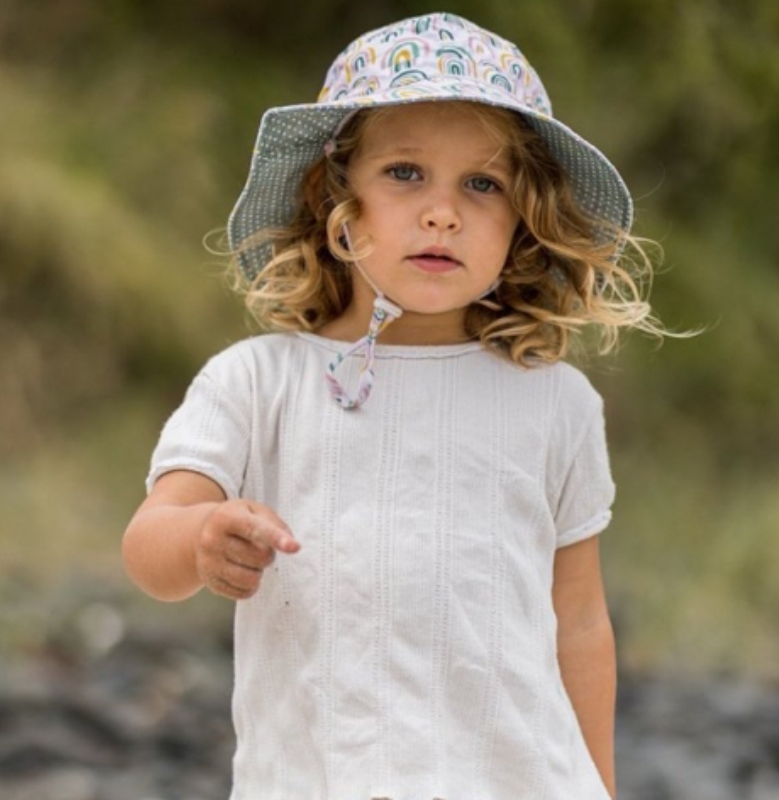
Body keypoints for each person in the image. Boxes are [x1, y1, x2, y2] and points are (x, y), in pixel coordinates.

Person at [123, 12, 663, 800]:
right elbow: (148, 547)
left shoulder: (555, 404)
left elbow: (579, 622)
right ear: (333, 198)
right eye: (406, 173)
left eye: (483, 185)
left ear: (521, 225)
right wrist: (202, 538)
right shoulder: (256, 383)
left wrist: (602, 787)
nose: (443, 212)